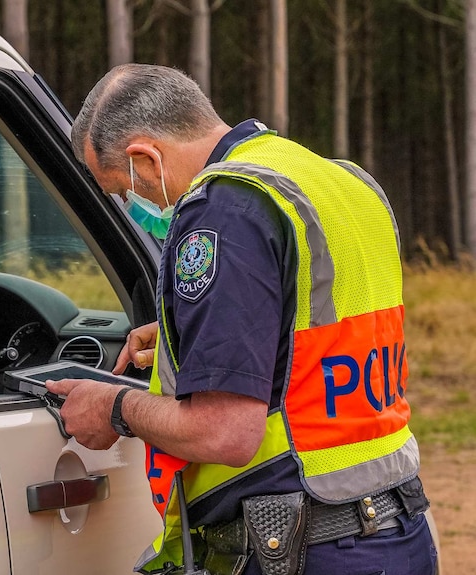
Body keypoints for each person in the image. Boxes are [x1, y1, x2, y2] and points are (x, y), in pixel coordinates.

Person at [46, 64, 436, 575]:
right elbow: (311, 333)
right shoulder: (339, 181)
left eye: (121, 190)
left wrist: (114, 406)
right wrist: (184, 337)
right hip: (399, 529)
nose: (130, 206)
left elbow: (225, 433)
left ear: (146, 157)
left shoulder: (223, 208)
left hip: (305, 548)